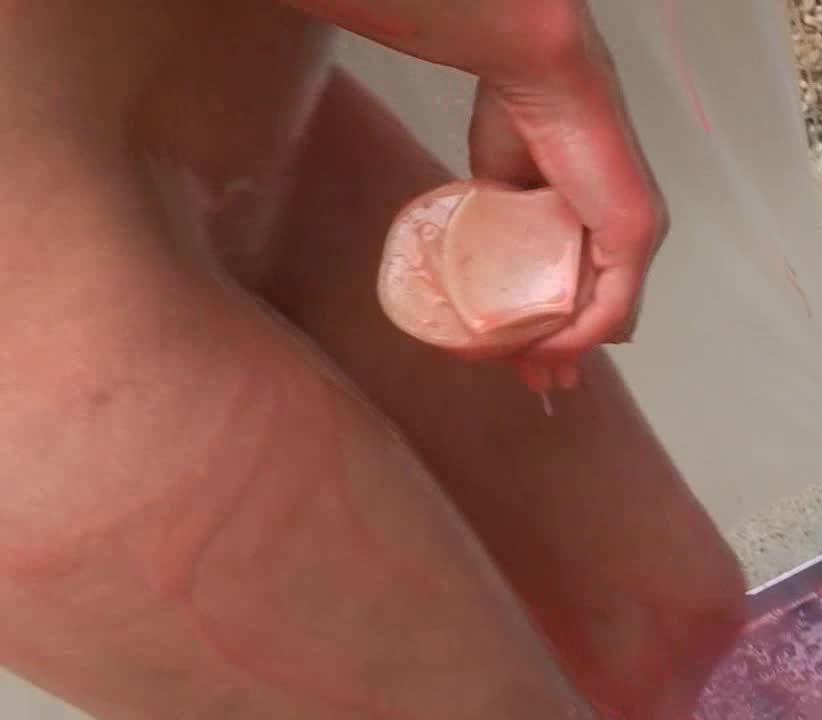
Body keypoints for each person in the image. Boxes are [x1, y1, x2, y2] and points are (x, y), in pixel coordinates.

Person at [0, 1, 748, 718]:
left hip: (250, 126)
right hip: (42, 317)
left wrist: (540, 54)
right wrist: (544, 56)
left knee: (671, 628)